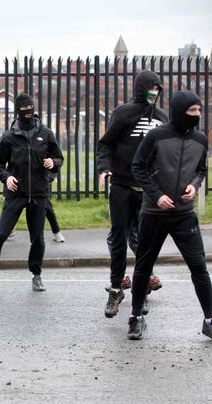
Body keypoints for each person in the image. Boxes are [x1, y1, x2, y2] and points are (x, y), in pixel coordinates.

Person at [127, 91, 212, 340]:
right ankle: (136, 317)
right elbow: (138, 166)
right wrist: (155, 195)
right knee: (144, 266)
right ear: (179, 111)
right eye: (192, 111)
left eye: (199, 111)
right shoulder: (156, 136)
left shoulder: (200, 139)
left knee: (199, 267)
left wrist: (194, 186)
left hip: (184, 215)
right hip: (155, 212)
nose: (197, 115)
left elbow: (201, 169)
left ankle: (209, 320)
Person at [0, 93, 63, 292]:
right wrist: (7, 177)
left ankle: (36, 275)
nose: (28, 111)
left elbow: (58, 158)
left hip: (38, 194)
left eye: (31, 107)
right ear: (18, 111)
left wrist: (52, 162)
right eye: (24, 109)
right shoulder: (9, 136)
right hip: (15, 195)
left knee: (38, 238)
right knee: (1, 235)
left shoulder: (45, 133)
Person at [97, 70, 168, 318]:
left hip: (148, 189)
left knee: (146, 242)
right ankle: (116, 288)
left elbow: (166, 153)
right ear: (141, 88)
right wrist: (104, 168)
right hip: (122, 186)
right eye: (151, 88)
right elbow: (105, 143)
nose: (154, 93)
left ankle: (142, 291)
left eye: (158, 89)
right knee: (118, 237)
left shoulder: (161, 118)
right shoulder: (123, 113)